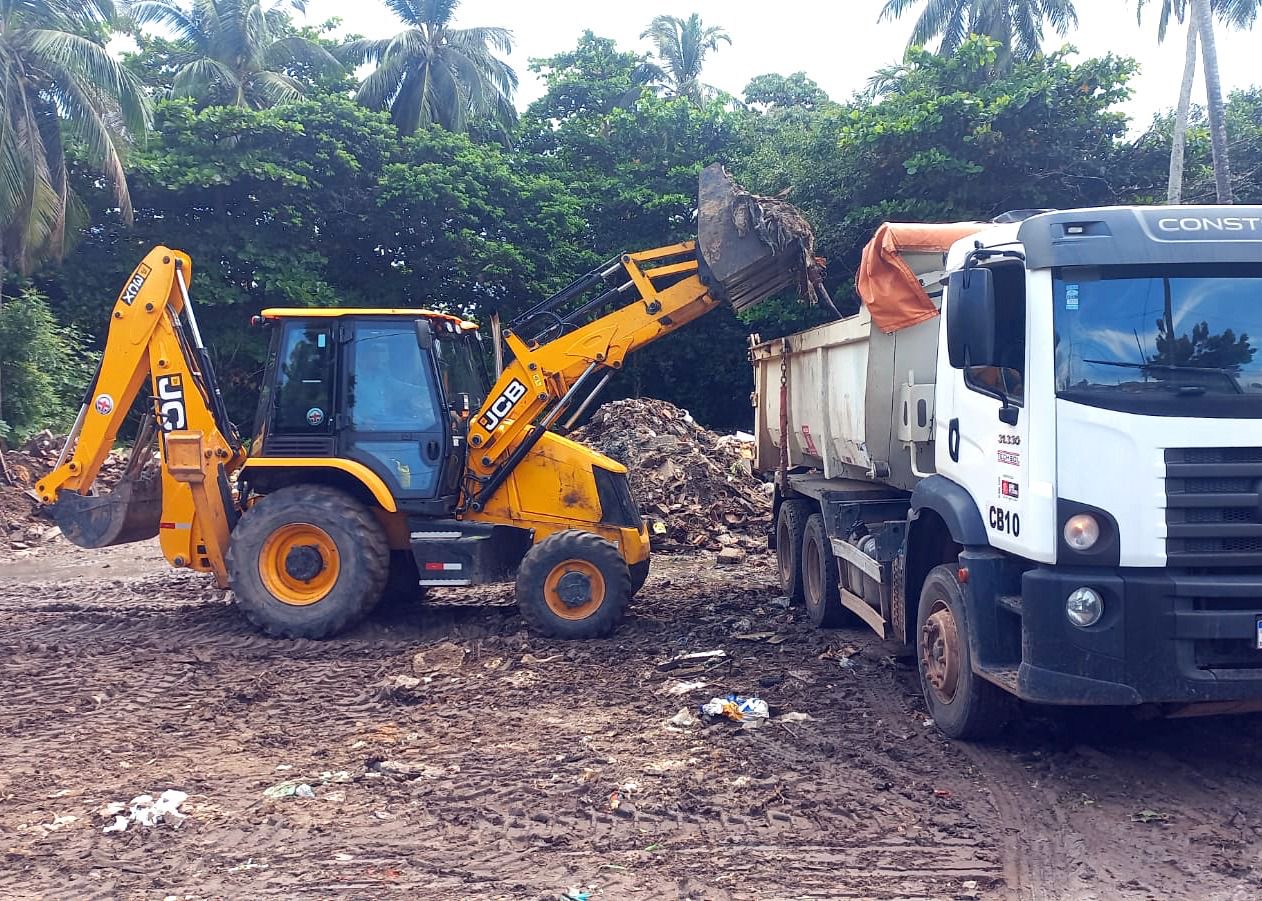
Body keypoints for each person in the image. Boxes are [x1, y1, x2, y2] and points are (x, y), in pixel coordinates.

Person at [352, 333, 438, 432]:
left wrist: (429, 390)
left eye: (378, 355)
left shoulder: (381, 375)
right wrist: (360, 421)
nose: (379, 359)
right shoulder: (352, 376)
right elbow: (343, 404)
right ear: (364, 357)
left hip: (381, 422)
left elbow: (401, 388)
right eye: (375, 355)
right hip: (361, 428)